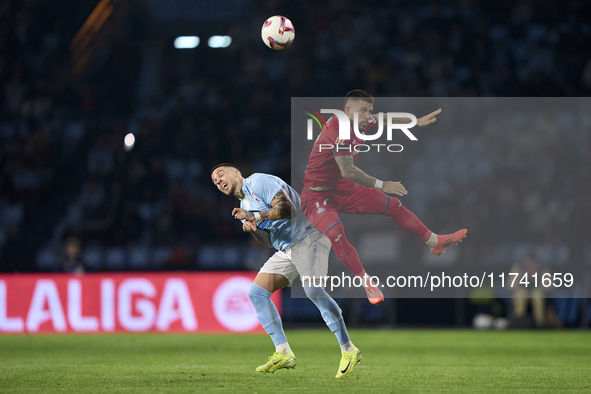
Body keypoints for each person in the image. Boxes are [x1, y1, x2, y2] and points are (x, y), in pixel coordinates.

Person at [301, 90, 467, 305]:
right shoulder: (340, 129)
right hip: (317, 197)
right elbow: (348, 171)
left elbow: (385, 119)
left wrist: (414, 122)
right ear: (347, 110)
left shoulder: (360, 119)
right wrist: (383, 184)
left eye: (369, 111)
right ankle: (366, 282)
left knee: (393, 206)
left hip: (344, 189)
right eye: (363, 111)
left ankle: (434, 242)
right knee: (336, 232)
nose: (367, 115)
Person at [211, 163, 362, 379]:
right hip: (288, 248)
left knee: (312, 290)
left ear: (236, 172)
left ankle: (348, 350)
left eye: (220, 174)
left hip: (309, 236)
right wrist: (254, 229)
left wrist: (256, 216)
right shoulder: (244, 204)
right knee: (256, 293)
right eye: (215, 181)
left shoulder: (259, 182)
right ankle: (283, 352)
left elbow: (288, 209)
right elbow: (267, 240)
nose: (218, 181)